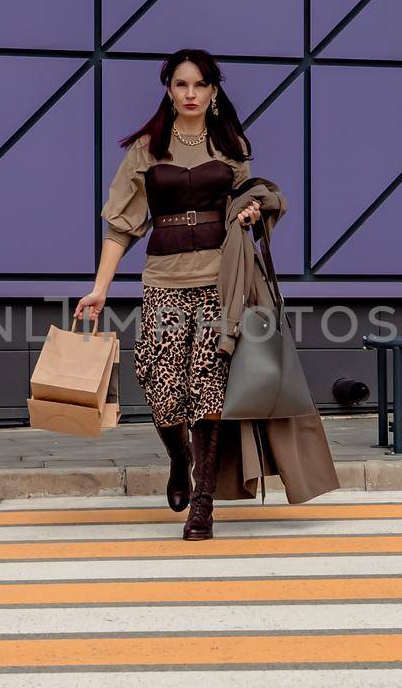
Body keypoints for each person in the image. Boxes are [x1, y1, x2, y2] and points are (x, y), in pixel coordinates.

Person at [74, 49, 262, 540]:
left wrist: (250, 213)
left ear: (214, 91)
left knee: (207, 387)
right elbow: (120, 228)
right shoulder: (147, 149)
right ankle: (179, 456)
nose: (191, 93)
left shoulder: (231, 145)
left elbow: (250, 199)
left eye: (200, 85)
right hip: (163, 282)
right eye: (182, 85)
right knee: (160, 383)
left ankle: (203, 501)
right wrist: (99, 290)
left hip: (219, 283)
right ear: (169, 90)